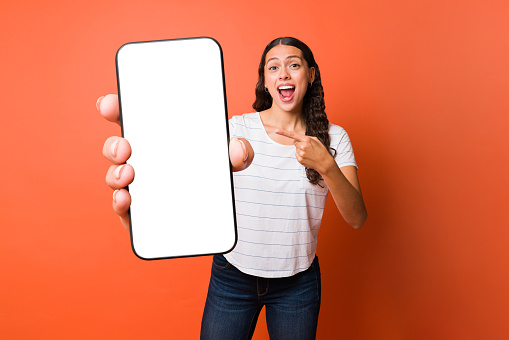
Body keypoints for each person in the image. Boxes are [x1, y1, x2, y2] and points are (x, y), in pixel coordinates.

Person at [98, 37, 367, 340]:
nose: (284, 74)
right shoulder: (235, 130)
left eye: (294, 64)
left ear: (311, 74)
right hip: (233, 276)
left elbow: (357, 218)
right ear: (265, 81)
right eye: (273, 67)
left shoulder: (335, 137)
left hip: (298, 283)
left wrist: (326, 165)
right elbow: (190, 180)